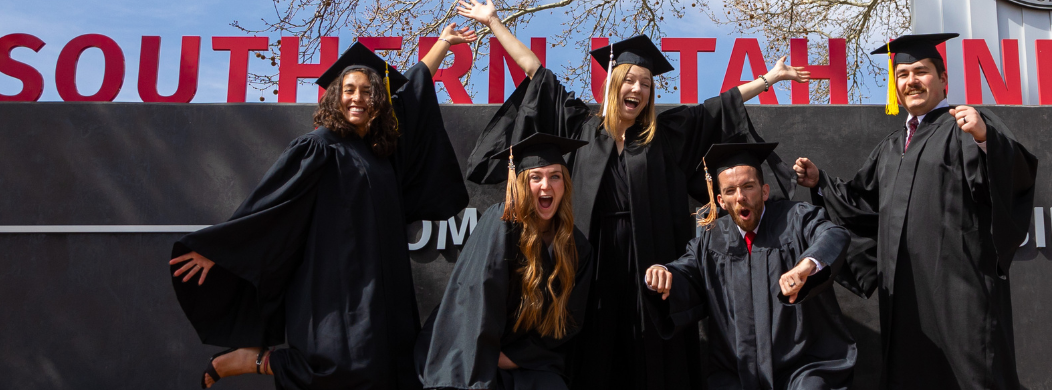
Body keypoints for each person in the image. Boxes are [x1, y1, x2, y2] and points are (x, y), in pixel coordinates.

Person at [454, 1, 812, 389]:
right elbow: (536, 71)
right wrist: (494, 22)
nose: (638, 89)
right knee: (594, 342)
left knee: (649, 348)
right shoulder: (581, 126)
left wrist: (769, 78)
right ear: (614, 83)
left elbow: (718, 107)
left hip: (650, 255)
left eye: (645, 83)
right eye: (630, 80)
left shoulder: (665, 135)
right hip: (593, 254)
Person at [166, 25, 478, 389]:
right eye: (349, 90)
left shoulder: (384, 153)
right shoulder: (319, 147)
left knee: (390, 369)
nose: (358, 98)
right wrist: (219, 249)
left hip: (387, 281)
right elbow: (272, 205)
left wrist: (443, 43)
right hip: (337, 282)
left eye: (367, 91)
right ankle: (255, 360)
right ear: (334, 97)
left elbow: (410, 93)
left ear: (378, 101)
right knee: (337, 367)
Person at [791, 33, 1040, 390]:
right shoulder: (891, 147)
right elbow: (862, 207)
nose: (911, 81)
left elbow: (1009, 180)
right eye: (902, 75)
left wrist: (985, 139)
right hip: (905, 300)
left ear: (943, 78)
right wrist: (820, 183)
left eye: (921, 71)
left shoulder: (964, 127)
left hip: (961, 292)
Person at [642, 143, 857, 390]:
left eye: (748, 186)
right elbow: (685, 271)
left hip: (801, 366)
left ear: (764, 191)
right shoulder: (711, 241)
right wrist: (663, 273)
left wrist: (806, 265)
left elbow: (833, 234)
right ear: (721, 201)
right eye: (730, 191)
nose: (740, 197)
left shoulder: (796, 219)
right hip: (737, 370)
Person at [417, 134, 596, 390]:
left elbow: (569, 320)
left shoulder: (576, 247)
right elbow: (477, 296)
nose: (546, 186)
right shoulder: (503, 224)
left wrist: (516, 357)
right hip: (471, 352)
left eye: (555, 176)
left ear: (565, 184)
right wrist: (488, 356)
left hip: (524, 358)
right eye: (536, 177)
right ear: (520, 183)